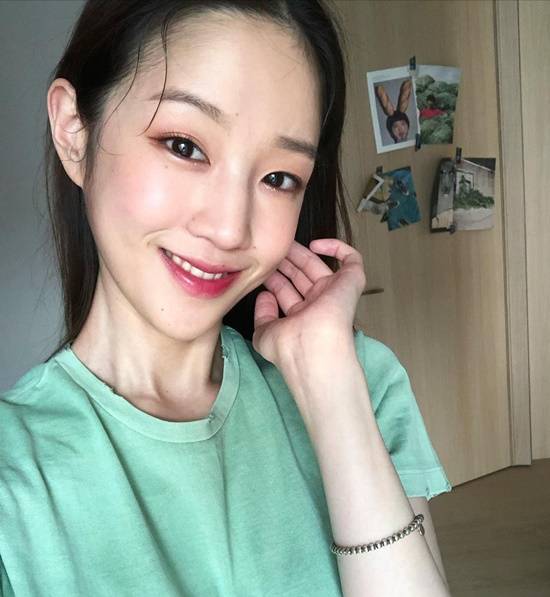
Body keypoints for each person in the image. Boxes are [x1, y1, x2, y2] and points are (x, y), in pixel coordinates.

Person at [0, 1, 452, 595]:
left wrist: (331, 386)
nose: (230, 229)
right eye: (184, 145)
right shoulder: (16, 471)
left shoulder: (361, 381)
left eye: (279, 178)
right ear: (74, 132)